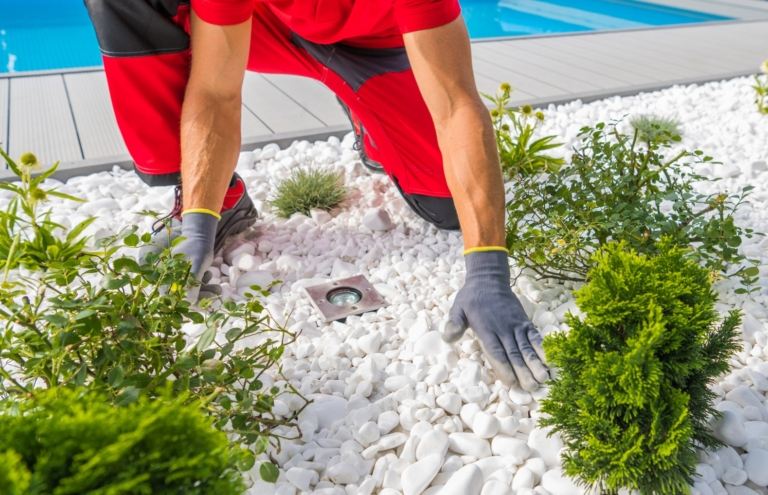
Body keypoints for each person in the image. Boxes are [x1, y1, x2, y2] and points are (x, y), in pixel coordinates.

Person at [83, 0, 549, 391]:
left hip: (376, 49)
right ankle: (218, 198)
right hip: (272, 32)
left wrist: (487, 268)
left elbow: (455, 106)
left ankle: (368, 114)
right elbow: (214, 91)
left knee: (446, 206)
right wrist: (199, 222)